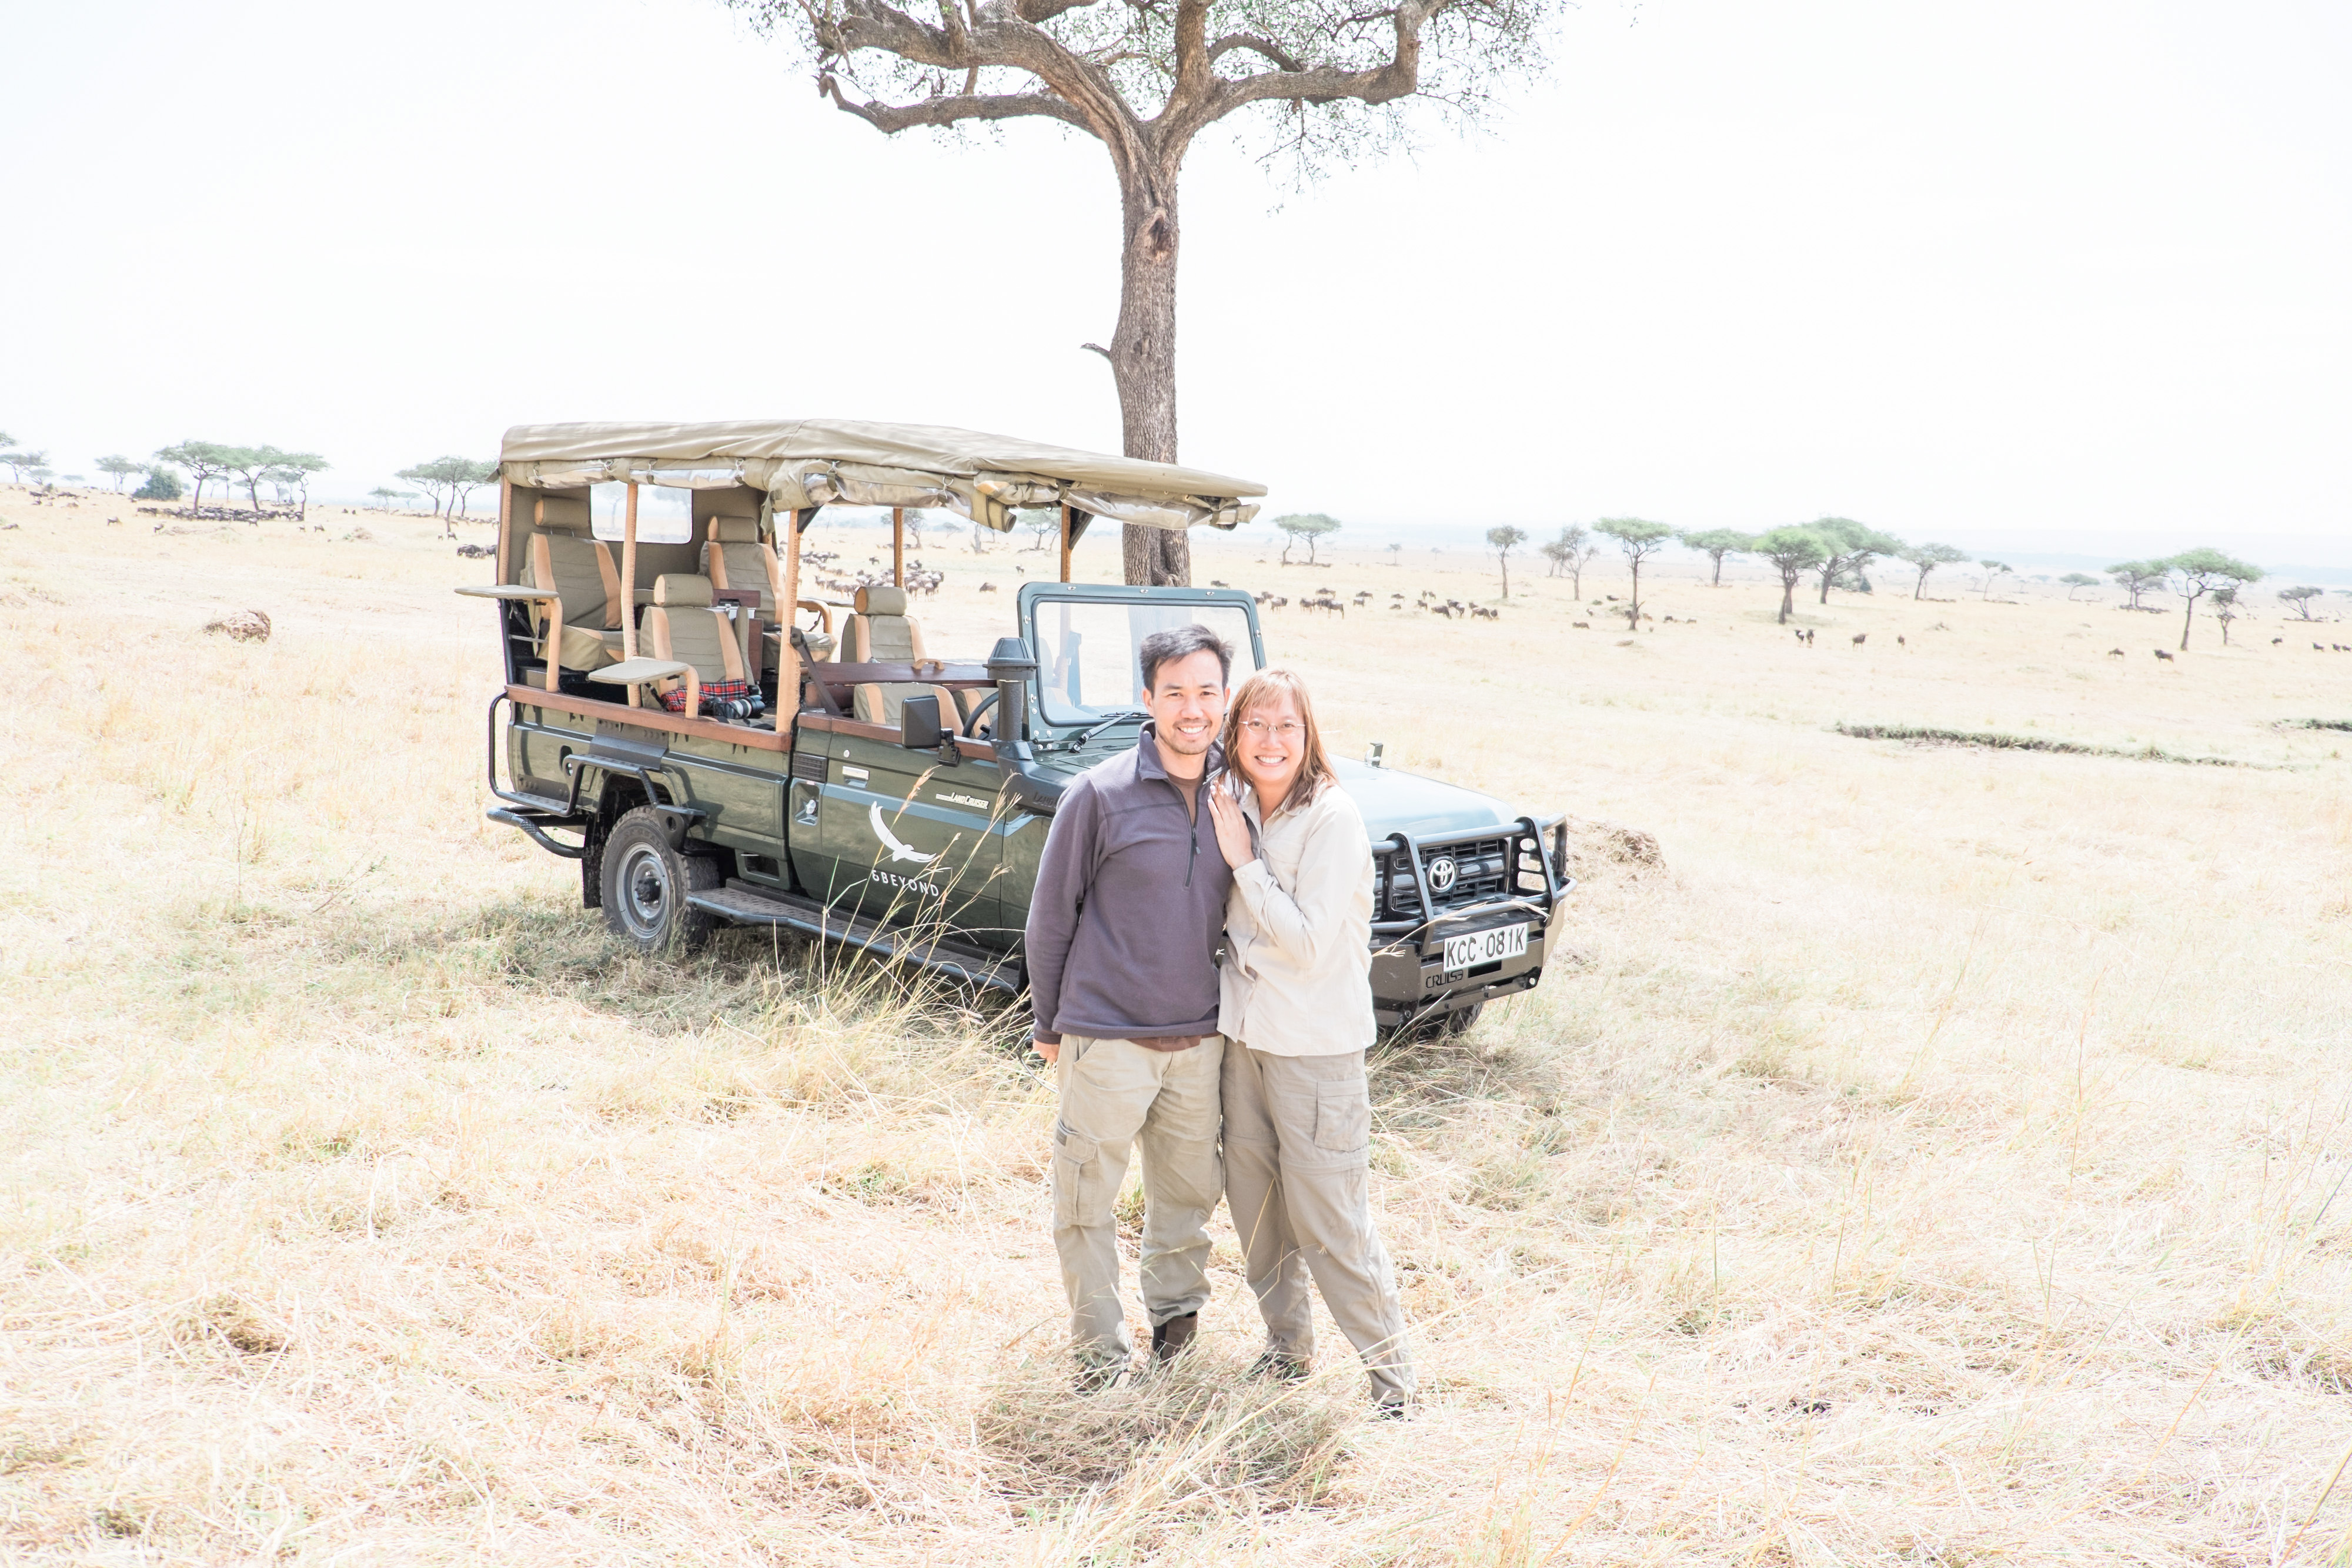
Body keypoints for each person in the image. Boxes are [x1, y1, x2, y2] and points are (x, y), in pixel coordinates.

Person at [1025, 624, 1235, 1385]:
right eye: (1175, 691)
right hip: (1105, 1037)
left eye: (1207, 691)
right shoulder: (1098, 793)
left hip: (1199, 1043)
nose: (1192, 707)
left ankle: (1175, 1336)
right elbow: (1052, 915)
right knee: (1085, 1203)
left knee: (1186, 1200)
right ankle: (1100, 1356)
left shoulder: (1237, 795)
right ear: (1147, 699)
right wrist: (1051, 1025)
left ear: (1223, 699)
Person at [1205, 667, 1416, 1413]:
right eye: (1254, 725)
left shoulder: (1332, 819)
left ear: (1307, 735)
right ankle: (1286, 1350)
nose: (1270, 741)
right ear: (1235, 735)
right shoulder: (1232, 801)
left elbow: (1306, 943)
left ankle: (1393, 1381)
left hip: (1315, 1049)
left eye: (1285, 727)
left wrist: (1244, 864)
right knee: (1256, 1208)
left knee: (1330, 1218)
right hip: (1244, 1041)